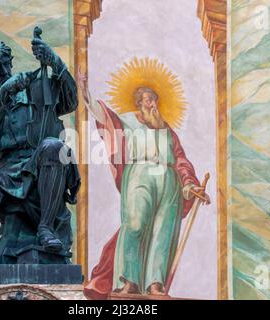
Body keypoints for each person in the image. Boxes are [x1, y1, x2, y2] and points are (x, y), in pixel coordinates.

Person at [79, 72, 210, 297]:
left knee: (163, 232)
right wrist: (85, 92)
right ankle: (129, 281)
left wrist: (189, 185)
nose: (152, 103)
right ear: (139, 102)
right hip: (139, 174)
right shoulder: (127, 120)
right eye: (148, 99)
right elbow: (103, 116)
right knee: (135, 224)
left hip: (169, 182)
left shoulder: (168, 131)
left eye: (154, 99)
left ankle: (155, 284)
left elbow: (180, 160)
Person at [0, 29, 80, 264]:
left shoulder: (36, 91)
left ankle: (46, 228)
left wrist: (55, 62)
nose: (5, 72)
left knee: (53, 146)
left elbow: (70, 101)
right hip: (7, 175)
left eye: (6, 64)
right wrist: (2, 94)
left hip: (43, 166)